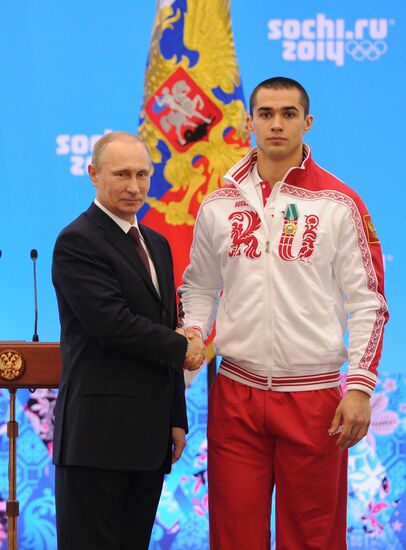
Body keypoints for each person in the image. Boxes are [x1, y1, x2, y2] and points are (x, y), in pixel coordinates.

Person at [178, 77, 388, 549]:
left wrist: (358, 387)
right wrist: (192, 332)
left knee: (314, 537)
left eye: (288, 114)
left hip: (314, 398)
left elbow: (368, 302)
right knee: (234, 535)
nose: (277, 124)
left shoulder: (340, 204)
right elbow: (199, 286)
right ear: (249, 122)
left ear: (307, 123)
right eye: (267, 114)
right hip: (235, 393)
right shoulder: (218, 204)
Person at [52, 131, 205, 550]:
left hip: (149, 439)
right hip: (96, 439)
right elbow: (112, 324)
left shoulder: (156, 243)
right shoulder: (77, 240)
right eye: (121, 174)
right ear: (93, 174)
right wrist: (184, 347)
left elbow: (167, 322)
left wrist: (177, 416)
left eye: (142, 174)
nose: (134, 186)